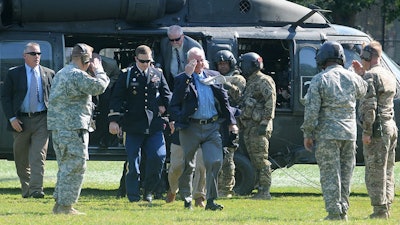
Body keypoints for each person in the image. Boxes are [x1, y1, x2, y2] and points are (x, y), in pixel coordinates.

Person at [301, 41, 367, 221]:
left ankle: (333, 213)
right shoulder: (352, 78)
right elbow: (364, 90)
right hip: (350, 134)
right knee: (346, 174)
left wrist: (308, 133)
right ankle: (343, 211)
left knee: (330, 174)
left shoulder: (320, 79)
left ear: (322, 58)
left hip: (327, 135)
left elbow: (312, 109)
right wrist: (357, 73)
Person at [169, 47, 238, 210]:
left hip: (212, 126)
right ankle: (187, 199)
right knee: (188, 164)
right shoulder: (182, 78)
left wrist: (231, 122)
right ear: (189, 62)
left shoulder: (214, 76)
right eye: (195, 61)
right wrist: (187, 76)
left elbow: (224, 101)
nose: (199, 64)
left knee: (214, 161)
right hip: (190, 127)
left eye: (201, 60)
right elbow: (176, 101)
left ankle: (211, 200)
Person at [48, 43, 110, 215]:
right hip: (73, 128)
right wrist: (99, 69)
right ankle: (66, 207)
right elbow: (99, 87)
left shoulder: (62, 72)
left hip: (60, 128)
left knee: (65, 166)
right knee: (75, 166)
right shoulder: (76, 74)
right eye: (89, 60)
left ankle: (60, 204)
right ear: (85, 59)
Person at [108, 45, 171, 203]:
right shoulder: (127, 75)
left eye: (148, 61)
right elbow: (116, 98)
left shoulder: (157, 73)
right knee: (133, 162)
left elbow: (166, 95)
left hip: (154, 125)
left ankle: (149, 191)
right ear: (136, 59)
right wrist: (114, 120)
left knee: (159, 157)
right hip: (133, 125)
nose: (145, 64)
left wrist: (172, 117)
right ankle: (133, 196)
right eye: (142, 61)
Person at [1, 42, 54, 199]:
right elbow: (5, 97)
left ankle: (37, 189)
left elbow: (54, 98)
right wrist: (12, 118)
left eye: (38, 54)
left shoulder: (49, 73)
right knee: (21, 158)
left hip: (42, 119)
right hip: (20, 121)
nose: (37, 57)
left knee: (39, 156)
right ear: (25, 56)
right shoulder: (14, 73)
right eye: (33, 54)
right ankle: (27, 189)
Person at [352, 41, 397, 219]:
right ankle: (386, 206)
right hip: (390, 125)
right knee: (388, 170)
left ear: (369, 57)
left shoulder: (370, 76)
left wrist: (367, 131)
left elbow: (369, 107)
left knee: (375, 171)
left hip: (377, 129)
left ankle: (379, 210)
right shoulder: (388, 74)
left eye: (363, 56)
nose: (361, 59)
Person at [237, 52, 276, 200]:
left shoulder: (263, 80)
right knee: (254, 159)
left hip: (259, 126)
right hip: (249, 126)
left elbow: (270, 101)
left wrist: (265, 122)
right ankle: (259, 188)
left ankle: (264, 191)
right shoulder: (250, 82)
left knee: (261, 159)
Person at [213, 50, 246, 198]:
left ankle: (226, 189)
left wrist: (225, 83)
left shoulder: (238, 79)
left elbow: (239, 96)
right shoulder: (213, 77)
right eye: (220, 64)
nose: (222, 66)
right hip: (217, 120)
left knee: (228, 156)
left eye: (225, 63)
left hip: (232, 121)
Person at [160, 25, 203, 89]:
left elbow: (202, 66)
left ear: (182, 36)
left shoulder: (193, 46)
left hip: (190, 82)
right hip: (172, 81)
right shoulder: (164, 43)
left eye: (177, 39)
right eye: (171, 40)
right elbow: (161, 59)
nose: (174, 42)